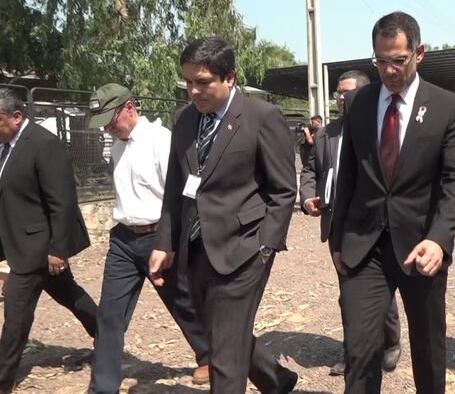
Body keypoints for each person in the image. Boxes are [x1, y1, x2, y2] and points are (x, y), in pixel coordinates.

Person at [148, 37, 298, 394]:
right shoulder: (184, 120)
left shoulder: (261, 117)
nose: (193, 91)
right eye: (187, 82)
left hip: (245, 248)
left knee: (223, 356)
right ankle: (276, 381)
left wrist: (266, 248)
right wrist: (164, 242)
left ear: (229, 77)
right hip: (196, 249)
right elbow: (175, 187)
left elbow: (283, 189)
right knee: (220, 330)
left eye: (203, 82)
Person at [331, 11, 455, 394]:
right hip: (364, 246)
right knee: (359, 352)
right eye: (380, 60)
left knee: (428, 349)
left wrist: (440, 239)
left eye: (398, 60)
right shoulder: (358, 102)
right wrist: (337, 238)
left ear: (419, 53)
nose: (389, 70)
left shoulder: (445, 107)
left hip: (420, 247)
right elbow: (349, 173)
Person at [86, 84, 209, 393]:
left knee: (181, 301)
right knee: (109, 314)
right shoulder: (117, 145)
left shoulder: (160, 140)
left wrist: (168, 243)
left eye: (111, 120)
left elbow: (181, 196)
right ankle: (103, 387)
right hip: (123, 241)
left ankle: (210, 354)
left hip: (159, 236)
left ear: (129, 107)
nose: (109, 129)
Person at [299, 70, 402, 377]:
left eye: (346, 93)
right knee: (349, 292)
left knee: (377, 288)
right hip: (336, 225)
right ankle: (354, 351)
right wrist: (307, 199)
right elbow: (309, 172)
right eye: (338, 93)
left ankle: (390, 341)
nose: (340, 98)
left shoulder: (381, 130)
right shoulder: (325, 134)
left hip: (372, 224)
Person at [0, 88, 98, 393]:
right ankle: (108, 335)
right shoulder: (6, 147)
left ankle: (2, 379)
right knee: (69, 294)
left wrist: (58, 250)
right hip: (20, 243)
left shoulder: (44, 144)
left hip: (39, 247)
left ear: (17, 117)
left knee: (15, 313)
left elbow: (62, 202)